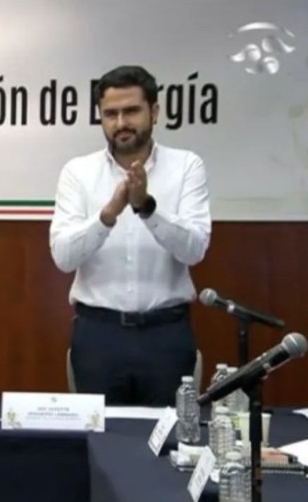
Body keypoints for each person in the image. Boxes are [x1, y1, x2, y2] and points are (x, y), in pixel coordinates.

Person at [49, 65, 211, 406]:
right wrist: (108, 214)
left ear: (154, 111)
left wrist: (147, 208)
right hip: (98, 334)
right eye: (111, 114)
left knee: (171, 435)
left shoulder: (186, 166)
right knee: (98, 435)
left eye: (131, 111)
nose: (121, 122)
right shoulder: (78, 172)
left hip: (166, 334)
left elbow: (194, 250)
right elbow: (63, 257)